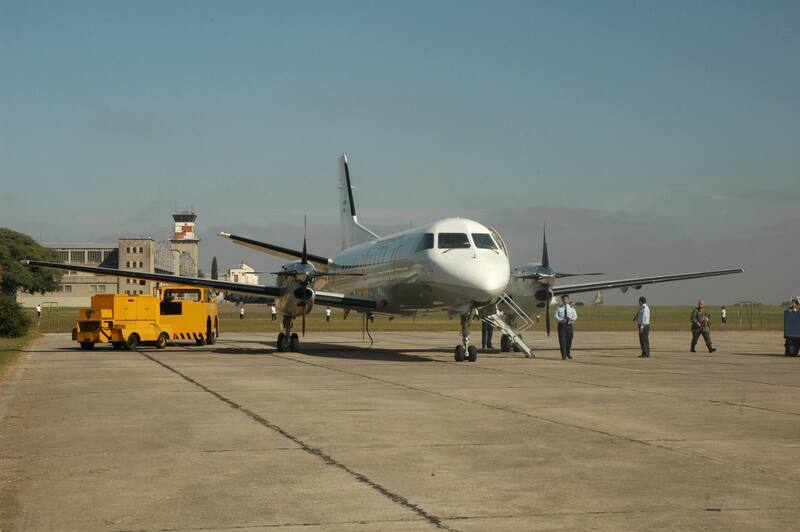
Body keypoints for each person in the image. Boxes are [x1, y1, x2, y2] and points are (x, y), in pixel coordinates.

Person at [555, 294, 577, 360]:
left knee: (569, 340)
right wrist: (561, 320)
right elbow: (556, 316)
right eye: (564, 299)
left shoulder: (571, 308)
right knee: (562, 341)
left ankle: (568, 353)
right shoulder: (559, 307)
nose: (565, 300)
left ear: (568, 300)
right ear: (562, 300)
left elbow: (575, 316)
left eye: (566, 299)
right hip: (561, 326)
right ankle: (563, 356)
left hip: (569, 325)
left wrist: (569, 319)